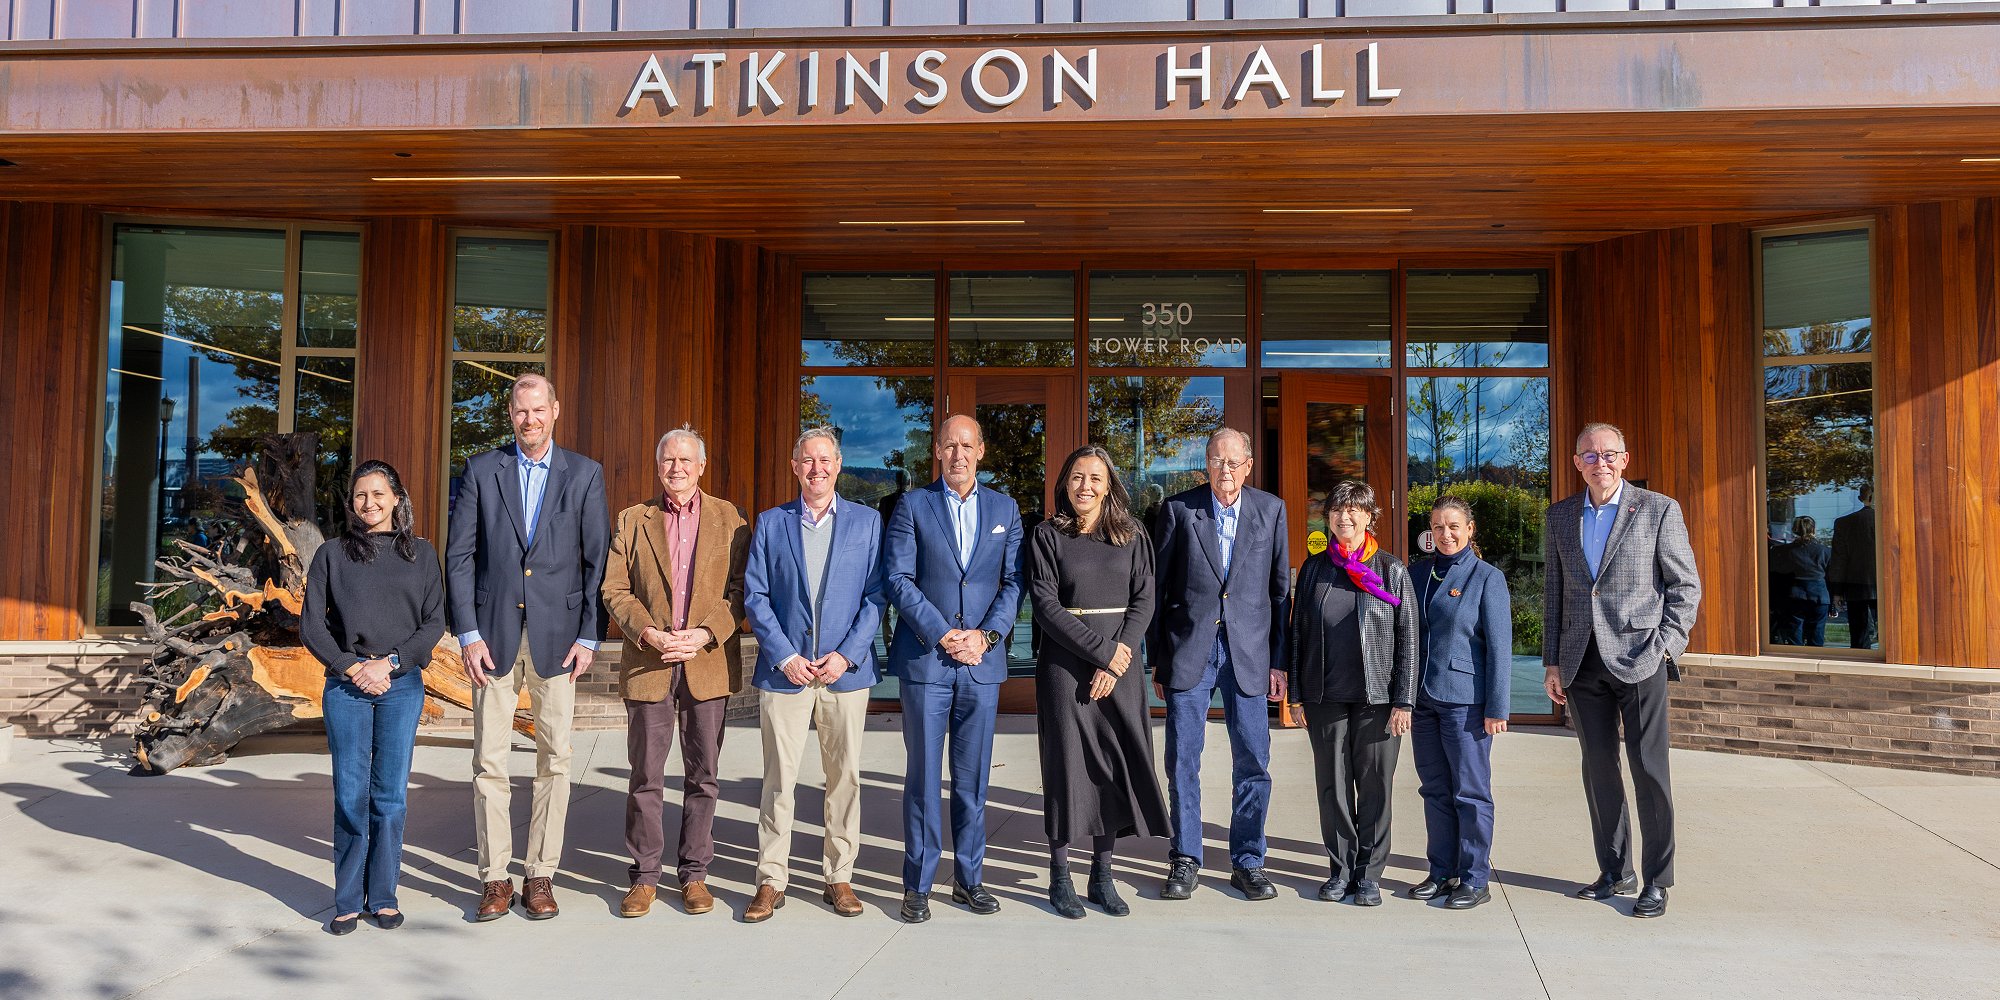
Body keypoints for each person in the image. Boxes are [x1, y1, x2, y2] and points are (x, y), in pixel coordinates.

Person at [445, 372, 610, 922]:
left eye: (538, 410)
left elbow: (595, 562)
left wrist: (590, 632)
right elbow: (461, 556)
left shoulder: (584, 474)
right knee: (489, 761)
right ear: (510, 414)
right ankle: (495, 877)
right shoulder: (480, 469)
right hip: (490, 639)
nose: (529, 420)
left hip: (558, 641)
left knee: (553, 761)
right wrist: (466, 631)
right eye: (520, 411)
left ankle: (540, 874)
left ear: (555, 411)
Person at [1543, 422, 1701, 919]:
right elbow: (1556, 594)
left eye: (1609, 454)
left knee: (1649, 769)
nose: (1600, 463)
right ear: (1576, 463)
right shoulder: (1560, 516)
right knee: (1599, 770)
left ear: (1625, 459)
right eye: (1589, 455)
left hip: (1639, 658)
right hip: (1580, 660)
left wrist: (1666, 647)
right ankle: (1615, 870)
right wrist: (1551, 660)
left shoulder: (1658, 510)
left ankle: (1656, 879)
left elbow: (1684, 586)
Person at [600, 426, 749, 918]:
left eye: (686, 460)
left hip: (706, 663)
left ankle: (695, 875)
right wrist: (650, 634)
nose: (676, 468)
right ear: (657, 465)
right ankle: (644, 877)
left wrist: (706, 634)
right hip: (651, 661)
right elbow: (614, 591)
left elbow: (740, 591)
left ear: (701, 466)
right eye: (668, 460)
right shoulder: (632, 519)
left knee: (703, 775)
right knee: (645, 775)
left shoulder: (731, 519)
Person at [883, 414, 1024, 923]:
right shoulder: (912, 506)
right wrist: (942, 632)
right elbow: (897, 578)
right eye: (949, 446)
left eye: (967, 445)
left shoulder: (1005, 508)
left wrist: (985, 637)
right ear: (937, 452)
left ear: (981, 451)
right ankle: (917, 885)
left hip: (980, 666)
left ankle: (969, 880)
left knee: (973, 781)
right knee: (922, 779)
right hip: (927, 662)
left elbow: (1014, 583)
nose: (958, 454)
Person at [740, 426, 884, 923]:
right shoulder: (770, 523)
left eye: (825, 460)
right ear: (795, 467)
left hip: (844, 673)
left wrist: (847, 654)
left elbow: (876, 596)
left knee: (843, 778)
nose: (817, 469)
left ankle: (838, 876)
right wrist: (785, 655)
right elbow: (755, 596)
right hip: (787, 673)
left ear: (838, 466)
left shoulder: (867, 523)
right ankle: (770, 879)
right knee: (779, 779)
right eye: (808, 461)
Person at [1026, 445, 1170, 919]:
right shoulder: (1047, 535)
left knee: (1112, 767)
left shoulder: (1132, 535)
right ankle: (1060, 875)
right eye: (1076, 477)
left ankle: (1102, 875)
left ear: (1110, 485)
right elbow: (1046, 607)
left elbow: (1145, 599)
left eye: (1094, 477)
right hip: (1066, 668)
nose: (1084, 486)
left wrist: (1116, 662)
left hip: (1120, 672)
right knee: (1067, 768)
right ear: (1065, 484)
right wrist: (1103, 653)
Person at [301, 460, 444, 935]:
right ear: (351, 502)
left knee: (389, 797)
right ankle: (346, 899)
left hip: (400, 686)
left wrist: (391, 664)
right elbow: (312, 627)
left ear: (397, 498)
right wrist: (353, 666)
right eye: (361, 495)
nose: (370, 503)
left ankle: (382, 895)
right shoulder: (331, 555)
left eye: (379, 493)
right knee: (350, 793)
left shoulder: (421, 555)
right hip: (346, 687)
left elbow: (433, 623)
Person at [1149, 427, 1291, 902]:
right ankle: (1185, 857)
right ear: (1204, 463)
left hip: (1249, 654)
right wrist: (1160, 660)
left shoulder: (1270, 510)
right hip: (1191, 652)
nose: (1224, 470)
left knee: (1253, 760)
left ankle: (1248, 860)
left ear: (1248, 465)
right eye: (1216, 461)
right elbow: (1159, 591)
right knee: (1182, 760)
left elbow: (1278, 593)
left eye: (1233, 462)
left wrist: (1279, 660)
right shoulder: (1178, 510)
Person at [1282, 480, 1417, 908]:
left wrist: (1404, 700)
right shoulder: (1314, 569)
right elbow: (1298, 634)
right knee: (1333, 788)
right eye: (1338, 509)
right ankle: (1340, 869)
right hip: (1326, 697)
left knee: (1375, 786)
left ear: (1369, 517)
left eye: (1354, 510)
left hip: (1378, 701)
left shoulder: (1391, 570)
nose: (1345, 516)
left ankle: (1369, 874)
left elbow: (1409, 637)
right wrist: (1297, 695)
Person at [1407, 497, 1512, 910]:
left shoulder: (1487, 577)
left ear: (1470, 529)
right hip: (1423, 700)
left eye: (1453, 526)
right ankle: (1441, 870)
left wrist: (1497, 708)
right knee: (1434, 789)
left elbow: (1500, 649)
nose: (1445, 534)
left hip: (1465, 702)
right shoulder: (1417, 574)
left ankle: (1474, 877)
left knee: (1470, 792)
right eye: (1437, 527)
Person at [1769, 515, 1831, 647]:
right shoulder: (1825, 551)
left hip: (1794, 596)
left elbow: (1776, 576)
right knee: (1817, 635)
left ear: (1794, 530)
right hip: (1819, 596)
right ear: (1813, 530)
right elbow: (1831, 577)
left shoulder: (1782, 551)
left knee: (1794, 635)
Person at [1828, 485, 1877, 649]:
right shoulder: (1888, 521)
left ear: (1859, 499)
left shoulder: (1844, 523)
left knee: (1859, 636)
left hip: (1855, 584)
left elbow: (1839, 560)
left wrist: (1837, 591)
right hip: (1885, 584)